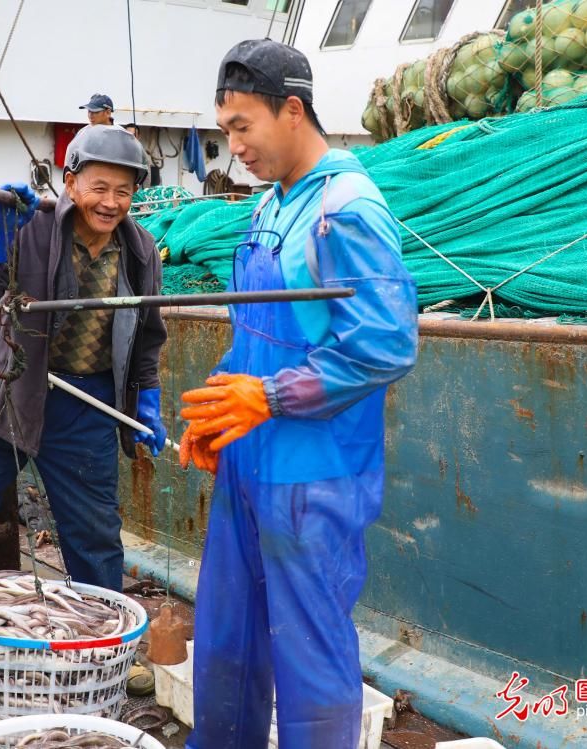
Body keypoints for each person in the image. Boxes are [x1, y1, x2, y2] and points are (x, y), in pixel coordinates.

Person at [179, 39, 418, 749]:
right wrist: (218, 411)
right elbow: (255, 337)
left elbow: (383, 344)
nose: (234, 147)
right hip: (249, 463)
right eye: (225, 130)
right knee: (227, 638)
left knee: (309, 660)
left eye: (242, 126)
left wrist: (270, 398)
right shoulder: (270, 207)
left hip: (311, 475)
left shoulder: (345, 209)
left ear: (291, 109)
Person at [0, 125, 167, 592]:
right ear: (70, 183)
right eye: (99, 188)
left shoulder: (141, 252)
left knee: (95, 537)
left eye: (124, 191)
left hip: (87, 409)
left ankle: (103, 648)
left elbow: (146, 337)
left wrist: (147, 398)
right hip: (9, 396)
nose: (111, 202)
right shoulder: (30, 227)